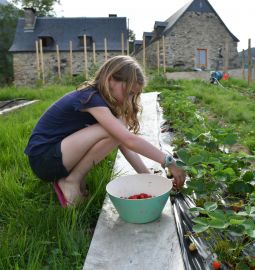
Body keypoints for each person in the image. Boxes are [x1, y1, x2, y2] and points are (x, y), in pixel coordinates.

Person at [24, 55, 186, 207]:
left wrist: (149, 180)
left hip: (60, 156)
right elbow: (129, 140)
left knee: (117, 132)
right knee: (116, 131)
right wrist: (169, 161)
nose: (130, 100)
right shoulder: (91, 98)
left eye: (134, 95)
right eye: (129, 93)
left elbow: (125, 145)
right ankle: (71, 180)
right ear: (110, 80)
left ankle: (70, 178)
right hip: (43, 158)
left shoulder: (108, 104)